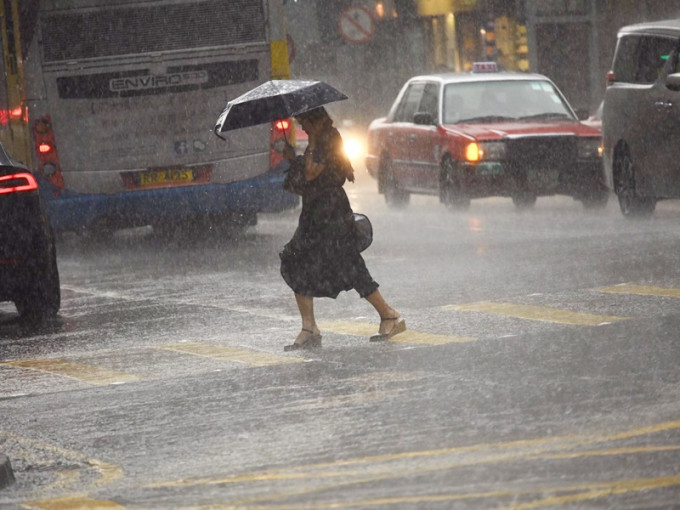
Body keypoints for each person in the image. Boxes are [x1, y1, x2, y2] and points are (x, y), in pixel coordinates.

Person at [279, 106, 405, 351]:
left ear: (314, 120)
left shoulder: (328, 138)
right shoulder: (319, 139)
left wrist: (306, 149)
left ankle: (389, 314)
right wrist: (291, 156)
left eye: (303, 122)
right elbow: (308, 172)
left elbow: (312, 172)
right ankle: (309, 328)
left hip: (331, 212)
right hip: (314, 214)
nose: (301, 126)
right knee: (297, 260)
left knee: (349, 264)